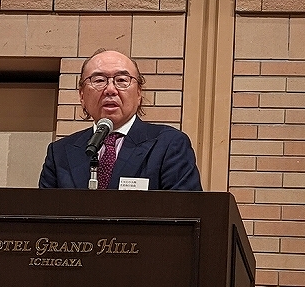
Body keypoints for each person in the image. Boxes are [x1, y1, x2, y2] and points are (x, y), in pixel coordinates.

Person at [39, 49, 203, 190]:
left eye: (122, 80)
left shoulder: (169, 144)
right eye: (99, 80)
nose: (110, 89)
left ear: (138, 93)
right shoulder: (59, 153)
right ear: (82, 95)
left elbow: (184, 210)